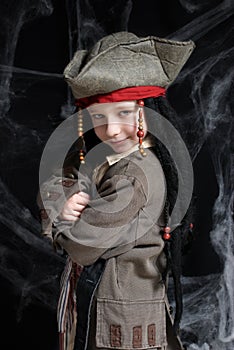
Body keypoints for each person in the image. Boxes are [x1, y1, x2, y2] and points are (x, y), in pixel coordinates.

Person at [38, 32, 195, 350]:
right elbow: (59, 179)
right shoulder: (104, 156)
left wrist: (59, 217)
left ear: (146, 109)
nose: (110, 129)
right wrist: (64, 200)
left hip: (121, 318)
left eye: (123, 113)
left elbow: (82, 246)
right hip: (103, 304)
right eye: (99, 117)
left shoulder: (135, 173)